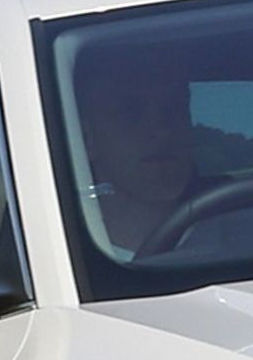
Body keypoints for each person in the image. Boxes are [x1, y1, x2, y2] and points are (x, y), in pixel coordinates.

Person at [80, 64, 204, 256]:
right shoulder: (55, 259)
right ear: (88, 139)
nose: (161, 132)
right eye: (130, 113)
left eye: (173, 109)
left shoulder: (245, 240)